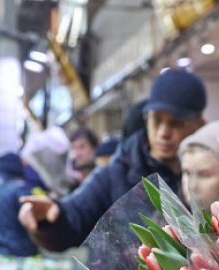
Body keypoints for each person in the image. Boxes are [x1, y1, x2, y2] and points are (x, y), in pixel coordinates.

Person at [18, 69, 207, 252]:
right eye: (156, 120)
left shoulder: (212, 176)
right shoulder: (115, 174)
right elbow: (75, 215)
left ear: (200, 124)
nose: (163, 133)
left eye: (176, 123)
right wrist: (53, 218)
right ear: (146, 118)